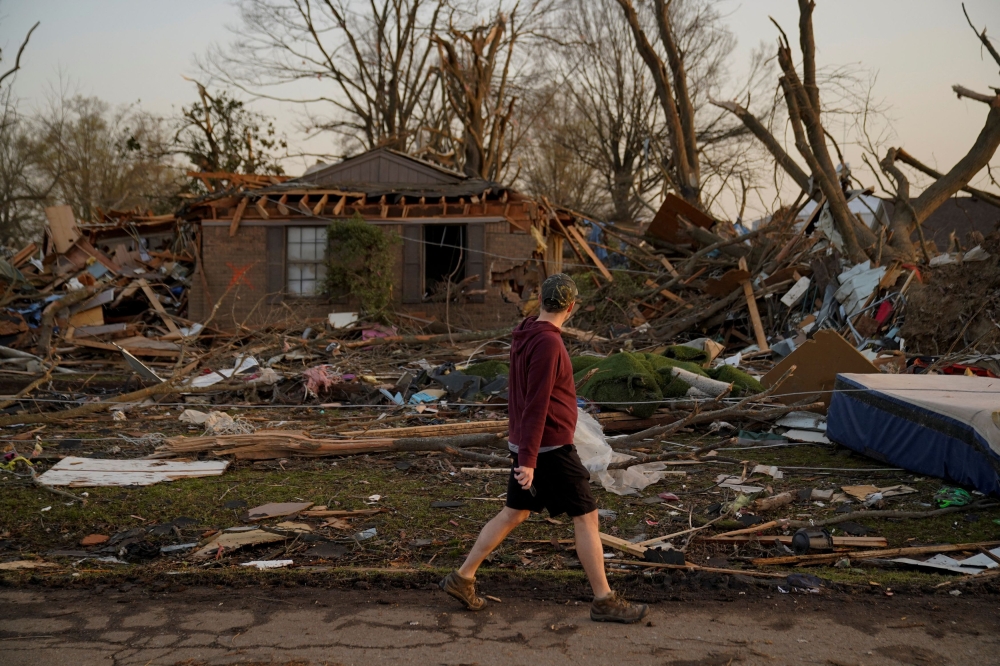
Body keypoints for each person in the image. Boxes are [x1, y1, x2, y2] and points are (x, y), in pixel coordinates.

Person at [439, 273, 648, 623]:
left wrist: (523, 451)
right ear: (571, 306)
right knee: (586, 516)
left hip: (528, 442)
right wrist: (530, 460)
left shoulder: (526, 331)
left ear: (540, 300)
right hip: (548, 448)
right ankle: (604, 600)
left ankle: (462, 578)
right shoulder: (549, 344)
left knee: (514, 512)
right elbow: (536, 403)